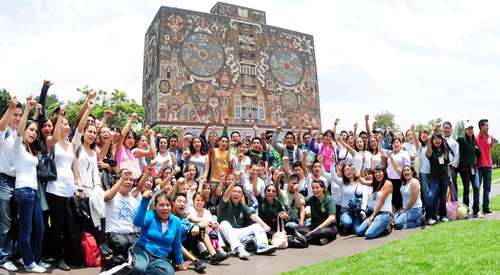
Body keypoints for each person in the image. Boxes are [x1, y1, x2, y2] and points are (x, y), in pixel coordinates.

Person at [13, 97, 49, 272]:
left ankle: (34, 259)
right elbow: (19, 132)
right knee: (26, 230)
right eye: (31, 130)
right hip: (23, 190)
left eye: (35, 131)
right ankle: (29, 263)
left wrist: (38, 113)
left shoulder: (30, 149)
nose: (34, 133)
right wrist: (27, 109)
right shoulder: (18, 145)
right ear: (24, 130)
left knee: (40, 227)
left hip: (33, 192)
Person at [45, 108, 83, 271]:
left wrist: (79, 186)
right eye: (63, 124)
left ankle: (69, 256)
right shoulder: (50, 142)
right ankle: (58, 257)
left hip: (69, 191)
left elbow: (76, 170)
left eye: (68, 125)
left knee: (70, 226)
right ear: (57, 125)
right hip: (55, 190)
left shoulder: (71, 146)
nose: (67, 127)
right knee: (57, 226)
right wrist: (60, 115)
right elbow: (53, 137)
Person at [217, 180, 277, 259]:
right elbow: (225, 195)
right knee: (224, 223)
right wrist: (235, 179)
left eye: (239, 192)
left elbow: (253, 215)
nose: (236, 194)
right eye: (234, 191)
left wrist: (264, 225)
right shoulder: (225, 202)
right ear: (230, 193)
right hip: (225, 233)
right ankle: (239, 249)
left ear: (242, 195)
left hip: (238, 232)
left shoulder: (242, 205)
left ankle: (262, 247)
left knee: (257, 226)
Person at [131, 190, 186, 275]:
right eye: (161, 205)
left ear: (171, 206)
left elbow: (177, 244)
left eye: (167, 205)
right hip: (143, 251)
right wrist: (144, 202)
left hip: (160, 258)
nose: (165, 208)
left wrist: (180, 263)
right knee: (139, 268)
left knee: (168, 273)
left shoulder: (176, 221)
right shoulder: (150, 215)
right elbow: (137, 222)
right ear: (155, 207)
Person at [0, 96, 22, 272]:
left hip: (18, 181)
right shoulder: (5, 131)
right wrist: (10, 107)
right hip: (3, 181)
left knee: (14, 221)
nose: (17, 118)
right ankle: (3, 257)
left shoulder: (17, 134)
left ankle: (12, 254)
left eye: (19, 115)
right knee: (5, 223)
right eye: (15, 114)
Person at [296, 180, 338, 245]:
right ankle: (318, 240)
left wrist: (318, 228)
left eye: (317, 188)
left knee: (320, 232)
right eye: (313, 188)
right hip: (314, 227)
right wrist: (296, 192)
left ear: (322, 188)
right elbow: (299, 204)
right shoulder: (311, 199)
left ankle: (302, 239)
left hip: (327, 228)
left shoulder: (329, 200)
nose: (315, 190)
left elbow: (332, 218)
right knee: (297, 229)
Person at [356, 166, 393, 239]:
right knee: (359, 232)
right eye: (375, 172)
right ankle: (377, 224)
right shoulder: (375, 183)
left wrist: (372, 216)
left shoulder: (388, 183)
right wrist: (356, 173)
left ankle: (386, 225)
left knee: (368, 234)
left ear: (384, 172)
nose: (377, 174)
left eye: (379, 172)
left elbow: (381, 202)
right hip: (376, 213)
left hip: (384, 214)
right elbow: (363, 182)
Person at [456, 121, 482, 217]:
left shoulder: (473, 140)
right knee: (466, 189)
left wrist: (477, 149)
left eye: (471, 129)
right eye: (468, 129)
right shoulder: (462, 139)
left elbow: (479, 154)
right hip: (465, 169)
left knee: (476, 187)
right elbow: (455, 139)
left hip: (474, 168)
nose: (470, 130)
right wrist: (457, 125)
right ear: (465, 130)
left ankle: (476, 211)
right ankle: (466, 211)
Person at [426, 133, 450, 225]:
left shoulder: (445, 150)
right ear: (432, 141)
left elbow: (447, 164)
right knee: (431, 197)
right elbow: (428, 153)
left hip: (445, 177)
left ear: (441, 140)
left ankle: (443, 215)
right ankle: (430, 217)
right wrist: (428, 141)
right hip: (434, 178)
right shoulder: (431, 150)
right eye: (435, 139)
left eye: (439, 138)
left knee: (443, 197)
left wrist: (450, 177)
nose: (437, 140)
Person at [386, 138, 410, 211]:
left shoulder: (404, 153)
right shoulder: (391, 154)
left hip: (400, 180)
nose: (395, 144)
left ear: (401, 144)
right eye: (393, 143)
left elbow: (407, 167)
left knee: (399, 200)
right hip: (390, 180)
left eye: (397, 142)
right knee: (391, 201)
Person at [476, 119, 494, 214]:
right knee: (477, 188)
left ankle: (486, 207)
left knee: (487, 188)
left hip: (488, 167)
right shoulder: (475, 138)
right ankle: (476, 208)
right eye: (486, 125)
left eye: (488, 125)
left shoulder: (490, 137)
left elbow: (489, 148)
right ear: (481, 127)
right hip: (479, 167)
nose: (488, 127)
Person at [443, 121, 460, 202]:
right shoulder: (440, 140)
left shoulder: (454, 142)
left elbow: (457, 155)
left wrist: (453, 167)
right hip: (442, 168)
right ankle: (443, 208)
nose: (446, 129)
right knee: (443, 188)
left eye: (447, 128)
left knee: (453, 187)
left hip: (451, 168)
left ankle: (454, 205)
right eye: (444, 128)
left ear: (451, 129)